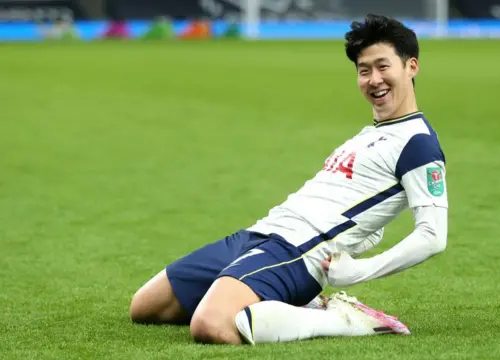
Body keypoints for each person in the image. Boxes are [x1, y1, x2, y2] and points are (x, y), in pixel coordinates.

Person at [129, 14, 448, 345]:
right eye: (364, 70)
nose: (373, 79)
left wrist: (359, 271)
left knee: (212, 325)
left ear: (411, 67)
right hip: (261, 233)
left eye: (383, 67)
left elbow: (433, 235)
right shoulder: (367, 135)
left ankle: (344, 320)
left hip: (299, 251)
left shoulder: (418, 142)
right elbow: (362, 205)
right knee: (147, 307)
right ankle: (289, 302)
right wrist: (364, 233)